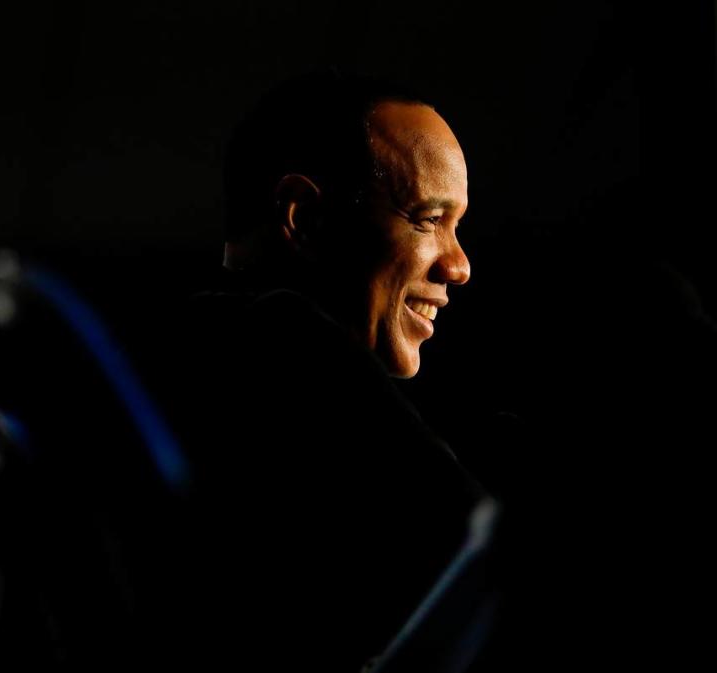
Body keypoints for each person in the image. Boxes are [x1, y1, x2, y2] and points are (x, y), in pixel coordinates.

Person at [140, 71, 492, 673]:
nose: (459, 267)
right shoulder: (276, 345)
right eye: (428, 219)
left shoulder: (165, 358)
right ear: (303, 219)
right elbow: (488, 565)